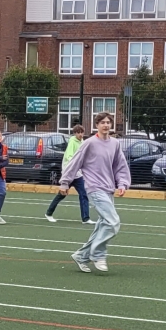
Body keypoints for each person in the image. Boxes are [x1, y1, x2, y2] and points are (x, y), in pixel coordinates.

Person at [57, 112, 131, 273]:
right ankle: (98, 254)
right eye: (102, 122)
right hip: (94, 188)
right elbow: (74, 162)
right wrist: (65, 182)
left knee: (103, 224)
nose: (106, 125)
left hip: (108, 188)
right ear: (96, 125)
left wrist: (123, 183)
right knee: (112, 222)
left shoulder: (115, 144)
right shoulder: (89, 143)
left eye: (108, 122)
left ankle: (81, 256)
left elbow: (120, 166)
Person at [44, 125, 90, 223]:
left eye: (82, 132)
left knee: (83, 194)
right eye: (78, 133)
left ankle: (85, 218)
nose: (80, 134)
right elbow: (69, 157)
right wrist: (74, 166)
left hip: (77, 174)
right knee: (62, 194)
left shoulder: (82, 142)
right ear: (75, 133)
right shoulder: (72, 142)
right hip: (68, 173)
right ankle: (49, 213)